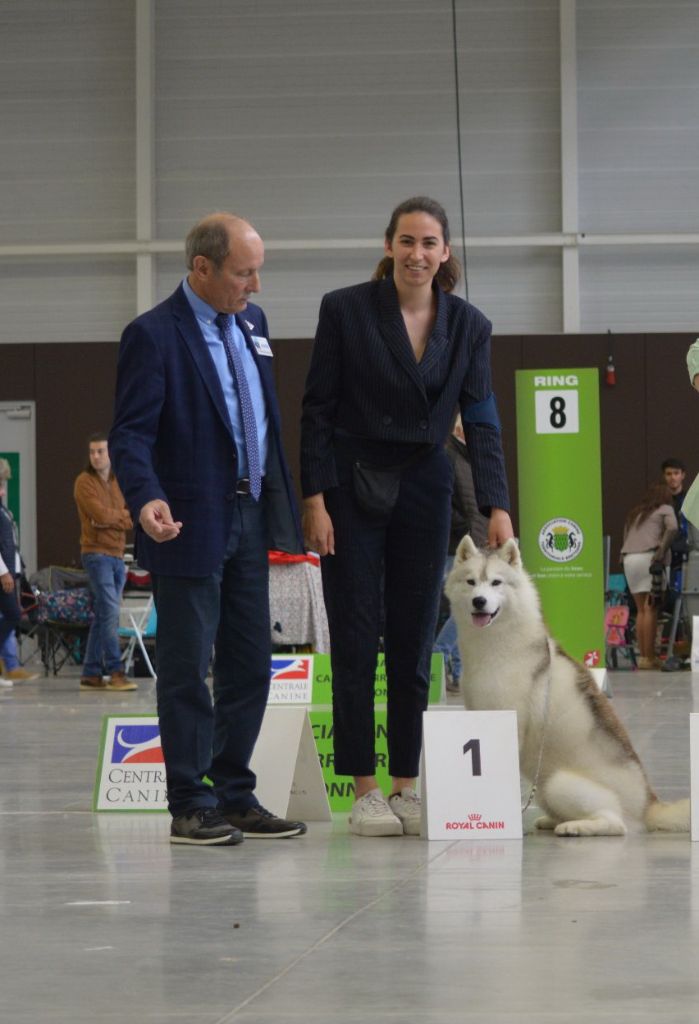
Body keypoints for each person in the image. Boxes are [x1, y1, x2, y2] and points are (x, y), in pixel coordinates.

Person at [300, 195, 513, 837]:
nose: (418, 254)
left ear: (445, 253)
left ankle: (407, 785)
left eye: (430, 243)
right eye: (407, 241)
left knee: (417, 642)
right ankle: (364, 789)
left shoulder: (470, 325)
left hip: (428, 485)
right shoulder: (345, 310)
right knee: (358, 638)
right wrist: (314, 498)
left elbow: (481, 419)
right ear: (388, 246)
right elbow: (316, 409)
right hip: (351, 487)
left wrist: (498, 506)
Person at [109, 212, 307, 847]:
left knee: (252, 664)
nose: (254, 286)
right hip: (187, 524)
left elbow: (266, 424)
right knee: (188, 668)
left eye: (257, 272)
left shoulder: (254, 325)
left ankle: (234, 794)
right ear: (202, 268)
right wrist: (146, 499)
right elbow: (131, 433)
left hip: (251, 518)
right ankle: (190, 803)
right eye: (243, 273)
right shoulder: (152, 335)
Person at [74, 434, 136, 692]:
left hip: (118, 555)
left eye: (100, 451)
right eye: (92, 452)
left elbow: (132, 517)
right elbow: (98, 515)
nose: (96, 456)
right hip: (96, 554)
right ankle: (116, 671)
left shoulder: (119, 480)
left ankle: (90, 672)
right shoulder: (84, 482)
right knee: (110, 612)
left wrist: (115, 519)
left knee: (104, 615)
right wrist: (119, 518)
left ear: (110, 453)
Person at [434, 415, 489, 693]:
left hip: (474, 545)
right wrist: (464, 528)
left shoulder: (470, 459)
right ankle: (440, 653)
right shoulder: (450, 457)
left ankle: (456, 669)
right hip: (455, 548)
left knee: (467, 608)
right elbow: (444, 502)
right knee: (465, 607)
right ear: (458, 428)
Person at [620, 482, 678, 669]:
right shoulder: (666, 508)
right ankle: (650, 657)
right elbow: (673, 528)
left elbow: (626, 535)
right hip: (649, 559)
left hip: (629, 559)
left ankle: (643, 657)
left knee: (641, 610)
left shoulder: (636, 513)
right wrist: (662, 550)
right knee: (651, 608)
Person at [0, 460, 23, 688]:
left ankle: (10, 665)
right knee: (13, 614)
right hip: (2, 573)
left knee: (11, 615)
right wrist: (4, 572)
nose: (4, 489)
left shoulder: (3, 509)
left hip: (8, 570)